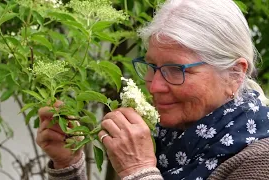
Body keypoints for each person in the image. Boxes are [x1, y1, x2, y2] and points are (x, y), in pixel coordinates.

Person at [36, 0, 269, 179]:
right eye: (152, 66)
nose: (155, 86)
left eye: (176, 69)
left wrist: (138, 170)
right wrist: (69, 165)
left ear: (234, 74)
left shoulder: (259, 159)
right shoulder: (167, 138)